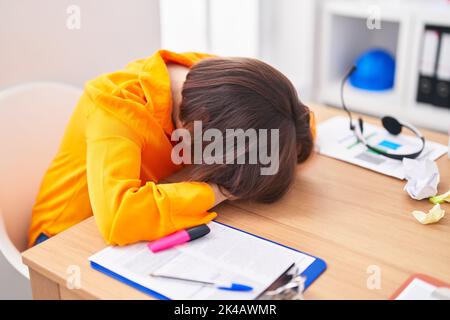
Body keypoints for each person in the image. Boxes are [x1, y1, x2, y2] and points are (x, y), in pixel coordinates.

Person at [28, 50, 315, 247]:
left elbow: (291, 118)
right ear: (199, 123)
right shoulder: (116, 105)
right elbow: (119, 217)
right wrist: (221, 190)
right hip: (68, 236)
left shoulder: (216, 80)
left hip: (154, 205)